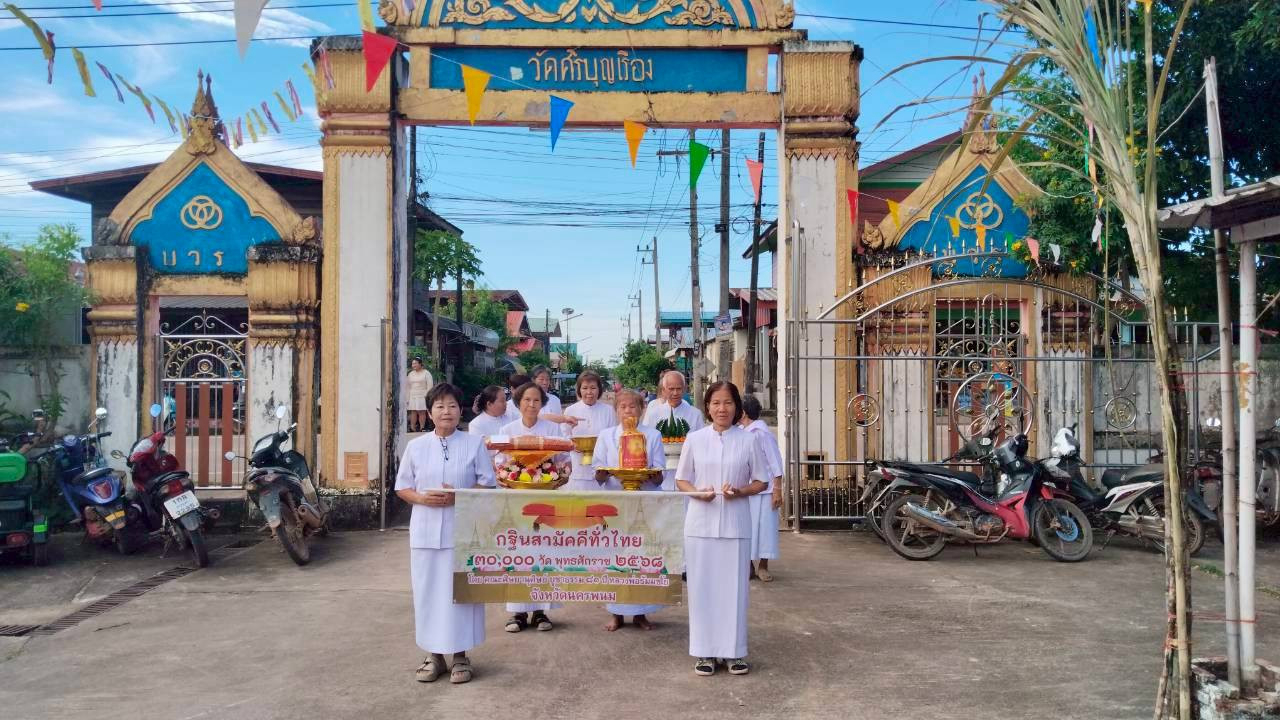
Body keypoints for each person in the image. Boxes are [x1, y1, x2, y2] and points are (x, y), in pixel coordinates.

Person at [394, 383, 495, 685]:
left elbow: (488, 485)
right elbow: (402, 487)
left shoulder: (474, 443)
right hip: (425, 532)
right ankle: (433, 655)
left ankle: (461, 655)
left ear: (459, 410)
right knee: (428, 594)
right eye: (439, 406)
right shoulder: (416, 447)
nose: (446, 411)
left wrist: (460, 496)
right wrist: (423, 499)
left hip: (462, 531)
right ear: (429, 413)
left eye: (451, 405)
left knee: (460, 595)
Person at [675, 381, 770, 677]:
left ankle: (734, 652)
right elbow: (682, 479)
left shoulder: (749, 439)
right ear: (707, 407)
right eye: (716, 403)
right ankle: (704, 651)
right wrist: (697, 493)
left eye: (728, 403)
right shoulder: (695, 439)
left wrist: (741, 491)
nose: (722, 408)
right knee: (702, 590)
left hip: (735, 523)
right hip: (700, 525)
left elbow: (761, 481)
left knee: (734, 590)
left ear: (737, 406)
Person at [592, 389, 667, 631]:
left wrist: (650, 473)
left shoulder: (653, 435)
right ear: (616, 411)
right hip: (615, 504)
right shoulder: (606, 436)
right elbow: (599, 474)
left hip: (645, 504)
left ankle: (642, 613)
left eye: (633, 407)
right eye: (623, 407)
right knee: (614, 557)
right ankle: (615, 612)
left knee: (642, 557)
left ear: (642, 410)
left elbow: (658, 476)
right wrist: (604, 472)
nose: (628, 411)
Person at [497, 382, 568, 633]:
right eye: (526, 400)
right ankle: (517, 612)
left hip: (545, 499)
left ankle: (541, 611)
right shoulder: (507, 430)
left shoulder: (552, 429)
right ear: (518, 402)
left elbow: (564, 461)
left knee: (544, 553)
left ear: (542, 403)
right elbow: (499, 462)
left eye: (536, 400)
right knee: (518, 553)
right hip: (516, 501)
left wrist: (558, 475)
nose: (531, 405)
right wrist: (509, 475)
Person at [739, 395, 783, 582]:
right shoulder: (741, 432)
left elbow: (775, 462)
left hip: (765, 490)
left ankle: (763, 565)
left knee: (765, 529)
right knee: (746, 528)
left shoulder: (762, 433)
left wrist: (777, 489)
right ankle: (748, 565)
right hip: (747, 489)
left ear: (743, 412)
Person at [643, 370, 705, 490]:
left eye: (679, 388)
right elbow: (647, 441)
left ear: (684, 389)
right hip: (661, 468)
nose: (675, 393)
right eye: (671, 389)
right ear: (664, 390)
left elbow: (701, 443)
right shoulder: (654, 414)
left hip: (687, 469)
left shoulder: (695, 414)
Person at [562, 371, 617, 491]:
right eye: (585, 388)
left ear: (599, 389)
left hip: (601, 468)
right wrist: (572, 445)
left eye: (593, 388)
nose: (589, 392)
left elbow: (613, 438)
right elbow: (564, 436)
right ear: (579, 390)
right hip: (577, 467)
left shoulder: (608, 411)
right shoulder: (570, 411)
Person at [406, 357, 435, 433]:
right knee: (413, 412)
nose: (413, 365)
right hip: (413, 395)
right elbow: (408, 386)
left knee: (422, 411)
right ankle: (412, 428)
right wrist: (407, 397)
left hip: (423, 395)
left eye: (415, 363)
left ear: (420, 364)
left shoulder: (426, 373)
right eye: (412, 363)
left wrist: (428, 396)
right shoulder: (410, 374)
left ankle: (422, 427)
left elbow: (430, 385)